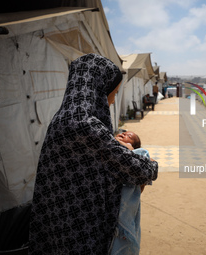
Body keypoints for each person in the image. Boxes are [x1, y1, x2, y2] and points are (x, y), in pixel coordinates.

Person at [28, 54, 158, 254]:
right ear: (98, 91)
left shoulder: (63, 118)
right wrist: (150, 163)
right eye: (113, 93)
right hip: (77, 231)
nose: (113, 101)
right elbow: (137, 168)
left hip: (58, 223)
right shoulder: (84, 125)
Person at [110, 131, 151, 255]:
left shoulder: (135, 155)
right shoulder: (107, 146)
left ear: (132, 146)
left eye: (129, 136)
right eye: (124, 132)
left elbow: (142, 180)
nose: (124, 134)